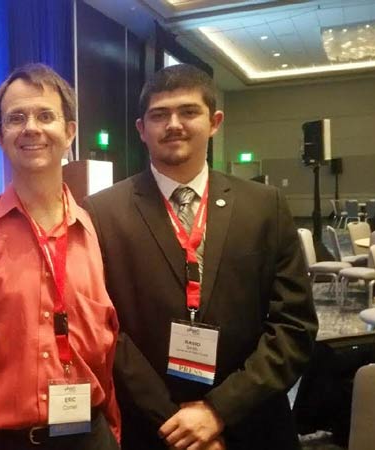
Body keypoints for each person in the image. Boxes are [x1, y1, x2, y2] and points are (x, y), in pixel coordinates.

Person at [83, 63, 318, 450]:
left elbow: (294, 326)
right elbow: (103, 331)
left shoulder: (265, 206)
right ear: (142, 130)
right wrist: (174, 424)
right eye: (159, 115)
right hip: (152, 428)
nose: (173, 124)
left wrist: (218, 411)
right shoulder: (101, 212)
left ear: (214, 121)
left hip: (252, 422)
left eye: (188, 111)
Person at [0, 63, 121, 450]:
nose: (31, 127)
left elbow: (105, 344)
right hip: (11, 441)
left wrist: (112, 432)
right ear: (0, 136)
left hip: (91, 435)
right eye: (16, 118)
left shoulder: (92, 229)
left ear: (69, 132)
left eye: (45, 115)